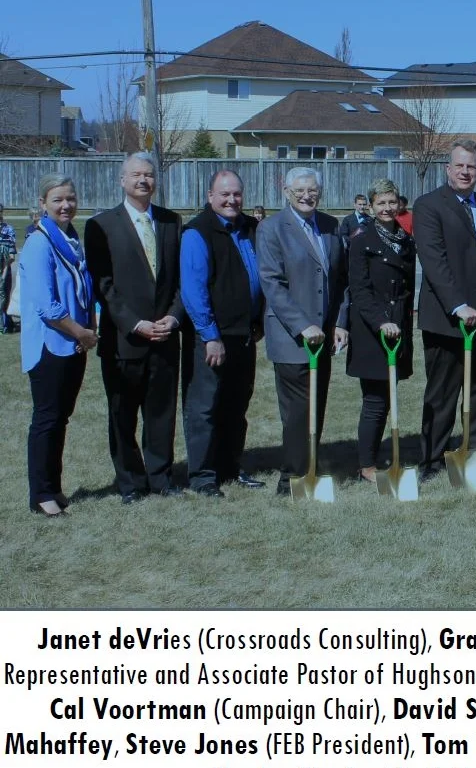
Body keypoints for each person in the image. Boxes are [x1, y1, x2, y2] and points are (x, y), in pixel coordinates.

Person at [85, 152, 186, 504]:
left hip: (165, 336)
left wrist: (172, 317)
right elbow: (104, 284)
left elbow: (180, 281)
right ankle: (130, 482)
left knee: (161, 414)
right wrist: (136, 323)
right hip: (124, 340)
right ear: (122, 180)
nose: (143, 180)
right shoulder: (102, 225)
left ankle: (160, 477)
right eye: (136, 175)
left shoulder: (173, 223)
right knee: (122, 414)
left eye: (149, 175)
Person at [413, 139, 476, 482]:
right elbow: (434, 262)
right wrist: (458, 305)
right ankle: (432, 460)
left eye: (472, 167)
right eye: (460, 166)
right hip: (445, 318)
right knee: (442, 393)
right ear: (447, 168)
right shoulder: (428, 206)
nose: (466, 172)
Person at [257, 166, 350, 496]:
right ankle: (292, 479)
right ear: (286, 191)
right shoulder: (271, 229)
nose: (307, 196)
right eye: (300, 191)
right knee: (298, 411)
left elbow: (340, 280)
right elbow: (272, 283)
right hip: (291, 337)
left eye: (312, 190)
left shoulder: (329, 225)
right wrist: (302, 325)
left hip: (323, 336)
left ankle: (309, 465)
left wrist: (340, 322)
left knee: (317, 404)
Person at [179, 170, 265, 497]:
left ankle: (230, 467)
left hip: (244, 334)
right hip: (212, 338)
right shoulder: (197, 232)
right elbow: (193, 290)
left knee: (236, 406)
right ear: (210, 195)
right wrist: (210, 335)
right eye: (224, 194)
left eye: (237, 195)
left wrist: (258, 320)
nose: (231, 200)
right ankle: (203, 476)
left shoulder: (250, 228)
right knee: (204, 408)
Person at [20, 175, 97, 516]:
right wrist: (81, 332)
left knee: (61, 420)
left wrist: (85, 331)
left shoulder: (71, 239)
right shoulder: (39, 243)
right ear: (43, 204)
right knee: (46, 420)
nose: (65, 205)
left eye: (70, 198)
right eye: (57, 200)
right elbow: (47, 307)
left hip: (73, 345)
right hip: (50, 346)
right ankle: (40, 495)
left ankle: (53, 487)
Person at [346, 179, 415, 483]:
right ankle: (366, 466)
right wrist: (380, 321)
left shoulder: (403, 237)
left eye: (392, 202)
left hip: (398, 325)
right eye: (381, 203)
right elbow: (359, 290)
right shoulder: (362, 238)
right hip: (372, 329)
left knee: (387, 399)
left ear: (399, 203)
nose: (387, 208)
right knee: (374, 400)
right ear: (371, 206)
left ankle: (374, 455)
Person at [0, 202, 16, 332]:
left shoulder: (8, 229)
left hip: (4, 268)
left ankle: (5, 323)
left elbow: (11, 255)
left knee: (4, 295)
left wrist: (4, 272)